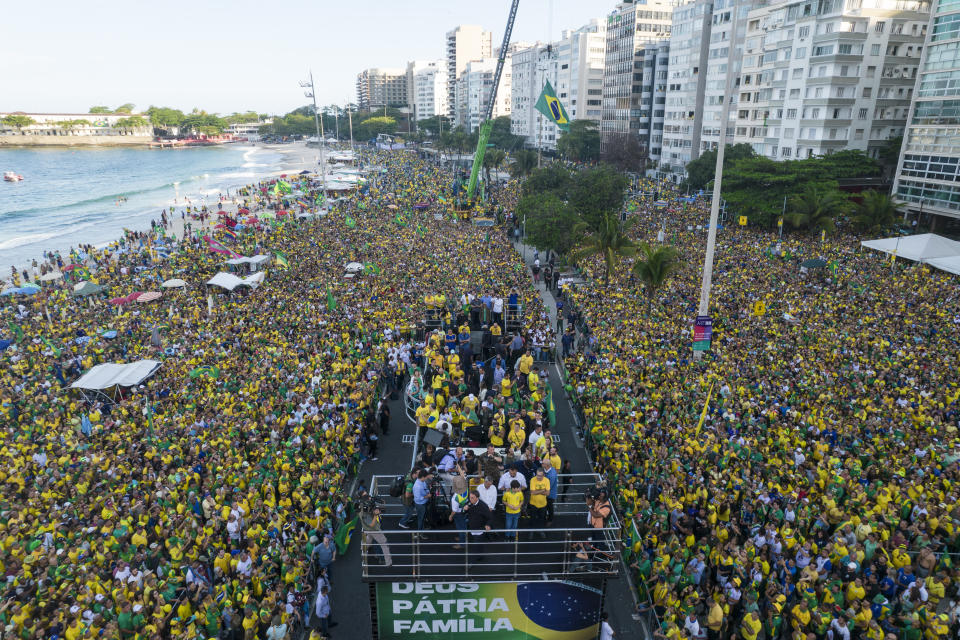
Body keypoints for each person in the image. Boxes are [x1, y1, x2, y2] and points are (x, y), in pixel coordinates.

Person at [463, 490, 492, 567]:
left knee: (475, 546)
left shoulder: (483, 506)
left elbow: (490, 517)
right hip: (471, 528)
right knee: (478, 544)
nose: (470, 499)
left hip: (480, 529)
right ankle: (480, 556)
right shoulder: (469, 503)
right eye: (470, 497)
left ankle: (470, 563)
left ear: (477, 498)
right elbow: (464, 512)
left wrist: (488, 525)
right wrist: (464, 509)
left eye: (472, 498)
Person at [528, 467, 550, 539]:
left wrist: (537, 491)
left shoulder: (547, 480)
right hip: (533, 504)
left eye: (540, 476)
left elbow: (547, 493)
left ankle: (541, 531)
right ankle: (531, 531)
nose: (538, 477)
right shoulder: (532, 480)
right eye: (537, 475)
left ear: (543, 475)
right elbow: (532, 492)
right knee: (532, 519)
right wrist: (542, 490)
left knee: (542, 519)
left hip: (543, 504)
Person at [413, 469, 432, 534]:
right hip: (420, 504)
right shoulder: (417, 486)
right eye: (426, 477)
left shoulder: (422, 482)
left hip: (423, 503)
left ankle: (422, 529)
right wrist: (427, 496)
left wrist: (428, 492)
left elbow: (425, 488)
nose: (427, 478)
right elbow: (418, 498)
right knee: (420, 519)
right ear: (423, 477)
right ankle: (420, 533)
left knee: (423, 517)